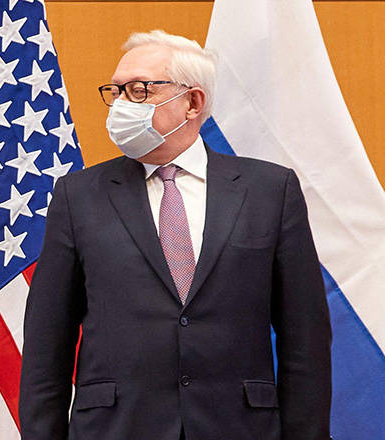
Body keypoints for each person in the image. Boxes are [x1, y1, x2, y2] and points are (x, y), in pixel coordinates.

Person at [19, 30, 331, 440]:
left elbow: (304, 338)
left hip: (239, 428)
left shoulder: (270, 191)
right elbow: (47, 341)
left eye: (139, 90)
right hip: (115, 428)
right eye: (115, 91)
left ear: (193, 102)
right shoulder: (78, 196)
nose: (121, 105)